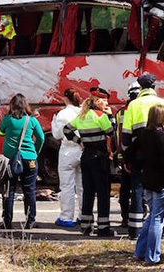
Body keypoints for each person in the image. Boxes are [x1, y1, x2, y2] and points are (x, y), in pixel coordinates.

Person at [121, 74, 164, 239]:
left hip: (139, 155)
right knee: (162, 190)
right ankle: (163, 228)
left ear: (140, 88)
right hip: (161, 154)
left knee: (138, 190)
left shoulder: (133, 106)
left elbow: (126, 136)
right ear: (154, 87)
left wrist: (127, 158)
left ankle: (135, 231)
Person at [63, 87, 117, 237]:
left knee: (88, 191)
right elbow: (111, 132)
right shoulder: (101, 116)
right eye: (104, 100)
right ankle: (103, 227)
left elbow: (67, 130)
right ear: (97, 102)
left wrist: (80, 141)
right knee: (103, 193)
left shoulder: (82, 116)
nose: (106, 103)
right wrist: (111, 116)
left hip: (86, 157)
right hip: (100, 159)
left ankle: (86, 226)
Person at [127, 105, 164, 265]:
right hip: (160, 182)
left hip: (146, 180)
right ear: (162, 118)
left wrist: (130, 163)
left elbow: (129, 151)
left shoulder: (143, 134)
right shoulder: (162, 137)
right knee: (157, 219)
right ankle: (152, 256)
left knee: (151, 217)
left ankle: (140, 251)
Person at [0, 93, 45, 230]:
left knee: (9, 191)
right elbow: (41, 138)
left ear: (12, 106)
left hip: (10, 160)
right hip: (30, 160)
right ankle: (30, 221)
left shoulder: (7, 119)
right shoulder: (32, 121)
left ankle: (7, 221)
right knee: (29, 191)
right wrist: (34, 152)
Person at [51, 87, 83, 228]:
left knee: (67, 186)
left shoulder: (63, 113)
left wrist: (53, 122)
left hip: (67, 151)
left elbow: (57, 135)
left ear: (65, 99)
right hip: (82, 150)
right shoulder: (83, 112)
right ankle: (83, 215)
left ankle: (66, 217)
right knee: (82, 186)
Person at [117, 82, 141, 228]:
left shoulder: (121, 111)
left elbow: (117, 136)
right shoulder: (139, 110)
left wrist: (117, 153)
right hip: (136, 156)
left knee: (125, 189)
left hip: (124, 156)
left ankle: (126, 218)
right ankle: (136, 217)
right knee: (138, 188)